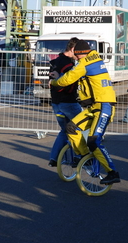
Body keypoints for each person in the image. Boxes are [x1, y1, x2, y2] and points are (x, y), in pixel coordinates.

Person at [50, 40, 120, 184]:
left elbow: (68, 79)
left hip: (104, 106)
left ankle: (112, 173)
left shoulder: (85, 63)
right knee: (71, 128)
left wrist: (55, 82)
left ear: (80, 53)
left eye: (76, 54)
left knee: (94, 140)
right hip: (94, 107)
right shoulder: (93, 58)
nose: (74, 56)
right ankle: (85, 157)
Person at [48, 37, 82, 167]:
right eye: (78, 51)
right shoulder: (69, 65)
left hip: (56, 102)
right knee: (80, 127)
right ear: (73, 49)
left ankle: (54, 158)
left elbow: (51, 82)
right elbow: (69, 86)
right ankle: (79, 157)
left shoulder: (55, 62)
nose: (79, 55)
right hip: (69, 102)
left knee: (64, 130)